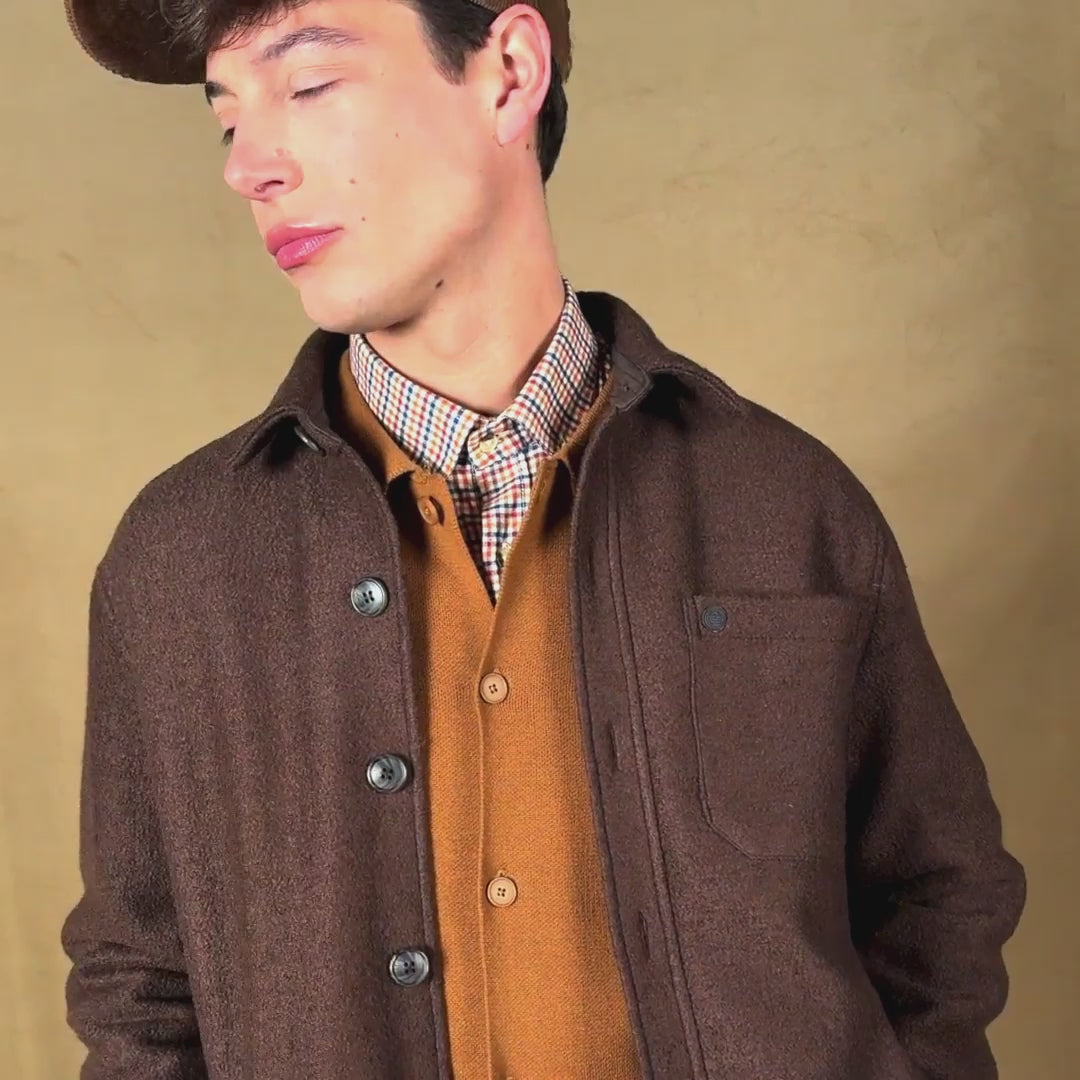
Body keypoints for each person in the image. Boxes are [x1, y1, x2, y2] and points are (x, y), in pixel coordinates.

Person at [59, 2, 1026, 1078]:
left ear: (512, 71)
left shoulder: (786, 502)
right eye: (228, 118)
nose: (250, 168)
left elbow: (939, 898)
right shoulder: (178, 561)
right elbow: (138, 982)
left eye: (310, 85)